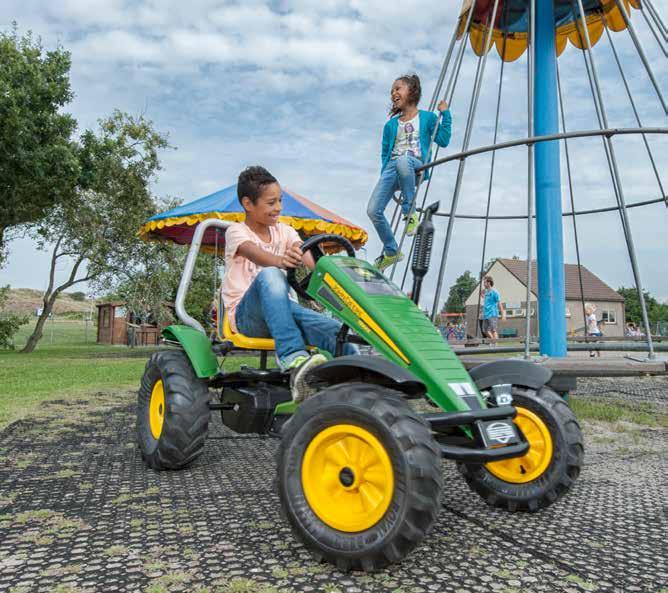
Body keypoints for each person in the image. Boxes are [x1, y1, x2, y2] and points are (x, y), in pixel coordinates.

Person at [222, 166, 358, 401]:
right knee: (270, 274)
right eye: (271, 202)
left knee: (335, 332)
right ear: (248, 203)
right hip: (247, 317)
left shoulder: (284, 231)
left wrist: (334, 270)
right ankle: (293, 360)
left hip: (282, 313)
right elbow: (256, 254)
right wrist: (280, 261)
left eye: (280, 201)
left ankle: (359, 384)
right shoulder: (236, 232)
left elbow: (305, 255)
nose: (279, 208)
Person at [367, 74, 452, 271]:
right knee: (373, 210)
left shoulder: (428, 118)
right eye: (392, 91)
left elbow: (444, 140)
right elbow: (385, 152)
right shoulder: (390, 125)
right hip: (391, 169)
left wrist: (445, 114)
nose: (393, 93)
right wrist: (385, 177)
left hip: (414, 164)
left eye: (398, 89)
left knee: (404, 160)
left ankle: (409, 212)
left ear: (412, 91)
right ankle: (391, 251)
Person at [482, 276, 506, 345]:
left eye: (485, 282)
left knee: (493, 330)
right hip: (486, 314)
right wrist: (482, 292)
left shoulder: (495, 292)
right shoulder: (486, 292)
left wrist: (503, 315)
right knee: (485, 331)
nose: (484, 284)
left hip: (492, 314)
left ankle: (495, 343)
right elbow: (482, 295)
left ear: (489, 283)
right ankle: (494, 342)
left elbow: (499, 303)